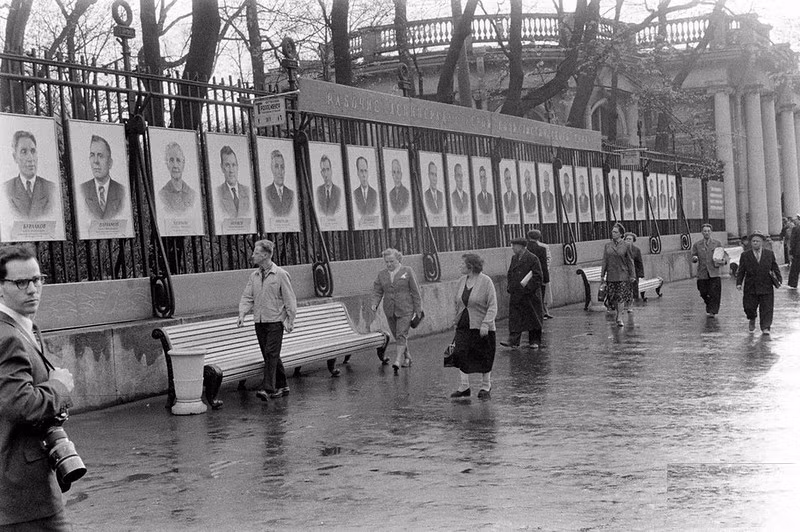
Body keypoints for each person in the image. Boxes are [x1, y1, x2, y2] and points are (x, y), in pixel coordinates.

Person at [0, 245, 75, 529]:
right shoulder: (8, 337)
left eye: (37, 279)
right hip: (22, 496)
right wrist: (59, 387)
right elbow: (19, 404)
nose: (32, 289)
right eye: (21, 282)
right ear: (1, 288)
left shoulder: (24, 328)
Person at [238, 239, 297, 400]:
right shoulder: (254, 276)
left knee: (271, 353)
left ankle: (267, 388)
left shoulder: (280, 275)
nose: (253, 256)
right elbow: (247, 296)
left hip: (275, 321)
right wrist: (242, 313)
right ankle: (283, 385)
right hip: (260, 321)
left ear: (265, 255)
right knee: (270, 354)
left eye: (256, 253)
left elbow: (290, 299)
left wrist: (290, 320)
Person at [449, 253, 497, 400]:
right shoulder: (461, 281)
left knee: (484, 355)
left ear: (470, 266)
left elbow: (493, 305)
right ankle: (464, 386)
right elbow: (457, 303)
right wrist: (455, 320)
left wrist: (486, 323)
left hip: (481, 325)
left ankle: (486, 386)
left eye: (462, 264)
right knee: (460, 353)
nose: (460, 266)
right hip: (463, 324)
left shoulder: (486, 281)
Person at [371, 249, 422, 374]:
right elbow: (377, 291)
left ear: (398, 259)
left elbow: (416, 292)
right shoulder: (382, 274)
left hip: (406, 308)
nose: (389, 264)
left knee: (401, 334)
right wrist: (374, 303)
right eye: (386, 262)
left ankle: (398, 360)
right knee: (397, 335)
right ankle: (407, 356)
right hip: (390, 309)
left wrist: (418, 310)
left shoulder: (407, 271)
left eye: (391, 261)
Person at [500, 237, 543, 349]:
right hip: (516, 293)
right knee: (515, 317)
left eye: (514, 246)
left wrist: (527, 288)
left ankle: (534, 341)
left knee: (533, 317)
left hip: (529, 294)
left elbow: (537, 277)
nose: (512, 248)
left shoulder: (533, 258)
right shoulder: (514, 258)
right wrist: (510, 286)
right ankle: (513, 340)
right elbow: (510, 273)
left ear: (522, 247)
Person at [4, 130, 57, 219]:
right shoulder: (6, 190)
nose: (30, 158)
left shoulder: (51, 188)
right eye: (24, 152)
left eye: (33, 151)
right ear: (15, 157)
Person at [736, 231, 781, 335]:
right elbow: (741, 270)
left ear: (762, 242)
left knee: (767, 308)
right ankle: (752, 318)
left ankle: (765, 327)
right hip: (751, 285)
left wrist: (779, 278)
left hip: (766, 284)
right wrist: (739, 283)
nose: (755, 243)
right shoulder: (745, 255)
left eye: (757, 241)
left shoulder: (769, 254)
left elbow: (774, 267)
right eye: (753, 241)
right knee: (749, 307)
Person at [79, 134, 126, 219]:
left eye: (100, 156)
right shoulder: (82, 190)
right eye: (92, 155)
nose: (95, 161)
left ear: (110, 163)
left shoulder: (121, 191)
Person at [601, 223, 636, 327]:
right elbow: (605, 260)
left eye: (615, 232)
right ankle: (618, 311)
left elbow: (630, 261)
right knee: (613, 297)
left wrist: (632, 275)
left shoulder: (626, 245)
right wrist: (602, 274)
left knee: (620, 297)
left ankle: (619, 316)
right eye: (612, 232)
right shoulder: (608, 245)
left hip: (622, 275)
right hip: (611, 275)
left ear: (621, 234)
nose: (613, 233)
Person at [691, 224, 724, 317]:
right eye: (705, 231)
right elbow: (693, 255)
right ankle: (709, 304)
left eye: (708, 231)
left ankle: (713, 311)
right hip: (702, 272)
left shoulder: (717, 243)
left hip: (714, 272)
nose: (707, 233)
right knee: (703, 291)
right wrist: (694, 258)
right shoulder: (697, 244)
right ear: (702, 232)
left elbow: (722, 255)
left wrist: (721, 260)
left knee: (714, 293)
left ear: (711, 232)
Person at [158, 141, 197, 214]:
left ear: (183, 163)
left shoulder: (192, 194)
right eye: (171, 160)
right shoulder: (162, 195)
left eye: (178, 160)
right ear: (167, 164)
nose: (175, 165)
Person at [215, 145, 251, 218]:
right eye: (227, 165)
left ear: (237, 167)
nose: (231, 170)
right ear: (222, 168)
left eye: (233, 165)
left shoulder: (248, 191)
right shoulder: (217, 193)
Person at [526, 229, 550, 324]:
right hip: (539, 276)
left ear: (528, 237)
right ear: (539, 238)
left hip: (527, 277)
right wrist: (546, 278)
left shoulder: (525, 249)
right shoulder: (542, 249)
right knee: (540, 296)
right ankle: (540, 314)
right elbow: (544, 265)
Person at [264, 150, 294, 217]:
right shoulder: (266, 193)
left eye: (282, 167)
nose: (280, 171)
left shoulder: (291, 194)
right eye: (276, 167)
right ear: (272, 169)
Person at [624, 232, 644, 307]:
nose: (628, 240)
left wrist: (641, 274)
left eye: (630, 239)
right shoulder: (622, 249)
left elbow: (639, 262)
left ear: (633, 240)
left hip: (634, 272)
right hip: (624, 272)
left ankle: (635, 302)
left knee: (634, 288)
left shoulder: (636, 250)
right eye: (627, 239)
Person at [787, 215, 800, 289]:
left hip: (797, 252)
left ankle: (793, 284)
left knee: (795, 268)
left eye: (795, 220)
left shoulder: (795, 228)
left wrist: (791, 252)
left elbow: (793, 241)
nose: (794, 221)